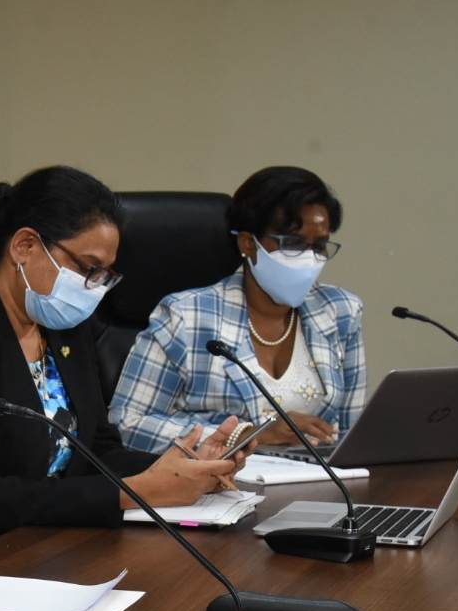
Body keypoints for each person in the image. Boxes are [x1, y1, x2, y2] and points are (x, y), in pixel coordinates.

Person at [0, 166, 241, 547]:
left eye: (104, 274)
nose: (94, 288)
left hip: (60, 539)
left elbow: (96, 449)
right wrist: (132, 492)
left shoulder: (60, 322)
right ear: (25, 246)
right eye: (88, 268)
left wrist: (184, 469)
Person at [110, 166, 365, 452]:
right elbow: (126, 424)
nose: (309, 258)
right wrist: (248, 434)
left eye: (318, 246)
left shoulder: (341, 311)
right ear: (248, 243)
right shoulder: (186, 316)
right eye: (292, 243)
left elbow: (351, 433)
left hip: (317, 482)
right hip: (215, 486)